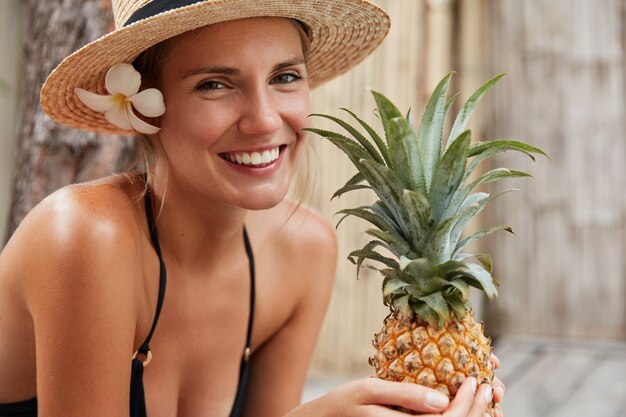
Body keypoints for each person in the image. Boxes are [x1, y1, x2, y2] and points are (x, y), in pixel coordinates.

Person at [0, 1, 505, 416]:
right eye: (214, 84)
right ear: (144, 109)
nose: (265, 121)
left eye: (285, 76)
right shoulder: (84, 237)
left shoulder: (303, 253)